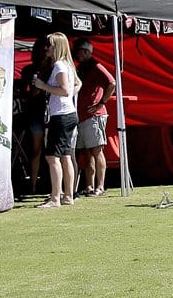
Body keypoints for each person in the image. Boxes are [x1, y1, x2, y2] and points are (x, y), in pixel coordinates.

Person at [31, 32, 80, 208]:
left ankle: (55, 198)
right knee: (65, 155)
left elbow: (66, 90)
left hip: (61, 116)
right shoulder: (67, 64)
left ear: (56, 47)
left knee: (52, 157)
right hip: (68, 114)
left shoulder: (59, 65)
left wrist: (43, 86)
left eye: (50, 45)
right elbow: (76, 84)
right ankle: (68, 195)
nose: (47, 48)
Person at [72, 38, 116, 198]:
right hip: (83, 115)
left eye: (78, 51)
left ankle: (100, 186)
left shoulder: (95, 66)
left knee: (96, 150)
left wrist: (101, 103)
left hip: (93, 115)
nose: (75, 54)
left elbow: (112, 83)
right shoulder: (82, 67)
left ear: (85, 52)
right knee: (87, 152)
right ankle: (89, 186)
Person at [17, 36, 51, 196]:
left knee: (53, 150)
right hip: (36, 112)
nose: (46, 53)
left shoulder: (55, 68)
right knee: (36, 150)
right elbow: (27, 93)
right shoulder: (29, 70)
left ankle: (50, 183)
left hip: (52, 112)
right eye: (43, 50)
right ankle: (32, 185)